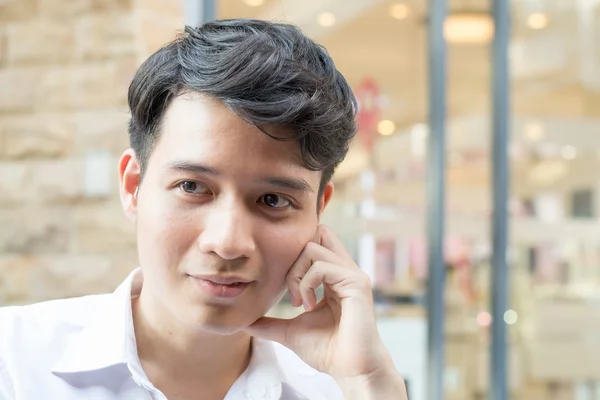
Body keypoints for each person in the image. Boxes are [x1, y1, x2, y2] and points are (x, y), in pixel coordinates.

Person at [0, 19, 407, 400]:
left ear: (319, 212)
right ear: (132, 186)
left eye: (273, 200)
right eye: (192, 187)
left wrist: (370, 384)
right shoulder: (16, 364)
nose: (227, 243)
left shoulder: (339, 389)